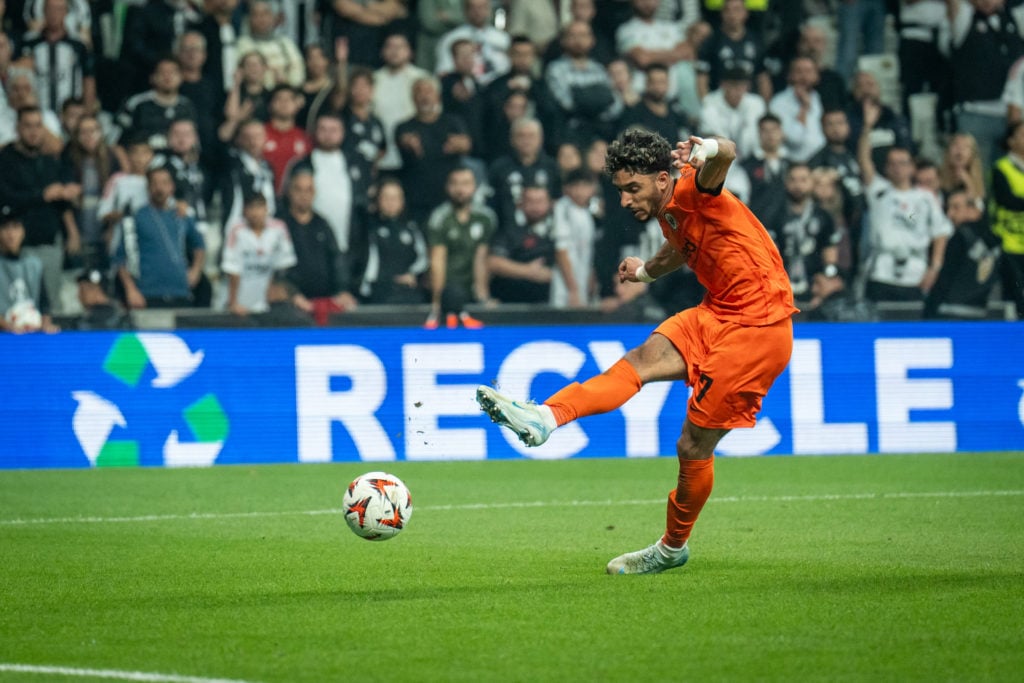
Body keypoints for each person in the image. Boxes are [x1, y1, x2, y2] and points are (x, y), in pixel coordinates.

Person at [476, 129, 797, 574]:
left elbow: (727, 153)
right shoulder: (668, 211)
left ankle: (671, 549)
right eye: (621, 190)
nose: (625, 200)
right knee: (640, 360)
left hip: (758, 329)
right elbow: (680, 246)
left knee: (692, 445)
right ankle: (545, 418)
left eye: (633, 188)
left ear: (663, 179)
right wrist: (646, 271)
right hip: (716, 312)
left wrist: (707, 150)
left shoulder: (694, 187)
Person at [857, 100, 952, 303]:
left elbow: (941, 232)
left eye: (903, 163)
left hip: (915, 273)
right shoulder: (879, 191)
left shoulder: (926, 197)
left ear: (912, 168)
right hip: (881, 271)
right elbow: (864, 162)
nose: (898, 168)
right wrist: (867, 127)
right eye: (893, 163)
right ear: (887, 168)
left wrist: (934, 268)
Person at [113, 167, 206, 310]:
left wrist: (195, 270)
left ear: (172, 187)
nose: (159, 188)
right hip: (148, 293)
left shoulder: (183, 215)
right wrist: (131, 290)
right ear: (148, 187)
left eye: (164, 183)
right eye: (155, 183)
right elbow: (121, 257)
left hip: (180, 292)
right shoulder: (137, 217)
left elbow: (199, 245)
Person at [280, 170, 359, 326]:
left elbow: (337, 259)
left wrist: (342, 290)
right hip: (291, 305)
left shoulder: (322, 224)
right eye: (298, 189)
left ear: (314, 193)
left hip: (323, 303)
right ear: (289, 192)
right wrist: (292, 294)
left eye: (308, 189)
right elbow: (276, 268)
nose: (303, 195)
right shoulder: (280, 225)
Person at [425, 165, 496, 329]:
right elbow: (437, 260)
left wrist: (483, 296)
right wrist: (437, 300)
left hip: (472, 289)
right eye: (455, 184)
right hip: (448, 289)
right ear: (447, 187)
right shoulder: (440, 218)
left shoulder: (485, 218)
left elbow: (482, 258)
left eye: (465, 183)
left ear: (475, 186)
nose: (460, 189)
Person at [923, 188, 1001, 319]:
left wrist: (929, 312)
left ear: (973, 209)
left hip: (949, 312)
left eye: (956, 207)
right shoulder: (996, 240)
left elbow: (945, 277)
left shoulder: (961, 237)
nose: (949, 214)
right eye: (948, 208)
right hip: (979, 312)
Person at [222, 191, 297, 317]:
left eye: (259, 207)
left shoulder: (279, 229)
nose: (256, 213)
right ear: (244, 211)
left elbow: (284, 266)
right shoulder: (236, 231)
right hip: (239, 303)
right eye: (251, 208)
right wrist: (233, 302)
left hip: (266, 302)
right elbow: (232, 270)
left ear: (266, 208)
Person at [0, 206, 59, 334]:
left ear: (23, 231)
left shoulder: (34, 264)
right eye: (5, 228)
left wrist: (46, 324)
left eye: (15, 227)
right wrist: (8, 326)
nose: (11, 234)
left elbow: (44, 304)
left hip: (31, 332)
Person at [990, 120, 1024, 318]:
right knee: (1014, 298)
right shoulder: (1001, 168)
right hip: (1009, 242)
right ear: (1010, 141)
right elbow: (1007, 200)